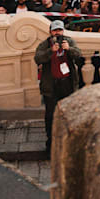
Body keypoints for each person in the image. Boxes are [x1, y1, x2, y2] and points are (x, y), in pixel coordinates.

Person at [34, 20, 82, 152]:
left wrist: (69, 49)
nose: (57, 33)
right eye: (55, 30)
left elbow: (79, 55)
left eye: (59, 30)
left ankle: (69, 141)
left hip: (67, 83)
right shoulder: (44, 44)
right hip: (51, 84)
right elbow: (38, 58)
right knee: (50, 114)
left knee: (69, 114)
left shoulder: (69, 41)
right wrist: (51, 51)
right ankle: (51, 142)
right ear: (50, 32)